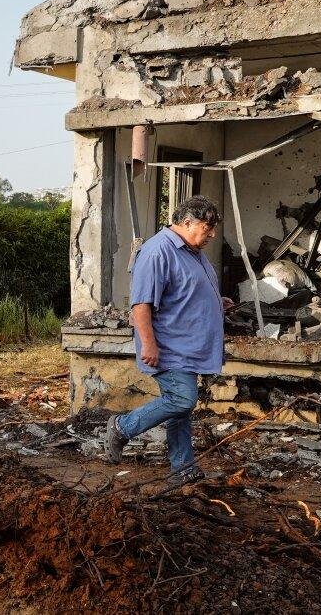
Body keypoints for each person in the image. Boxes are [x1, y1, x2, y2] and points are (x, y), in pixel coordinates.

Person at [104, 195, 234, 483]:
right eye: (208, 227)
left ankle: (183, 469)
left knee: (180, 410)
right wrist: (148, 344)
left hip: (188, 346)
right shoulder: (157, 252)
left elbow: (184, 291)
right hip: (168, 346)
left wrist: (215, 302)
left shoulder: (192, 251)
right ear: (187, 223)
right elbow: (141, 304)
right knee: (181, 400)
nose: (213, 234)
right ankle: (123, 427)